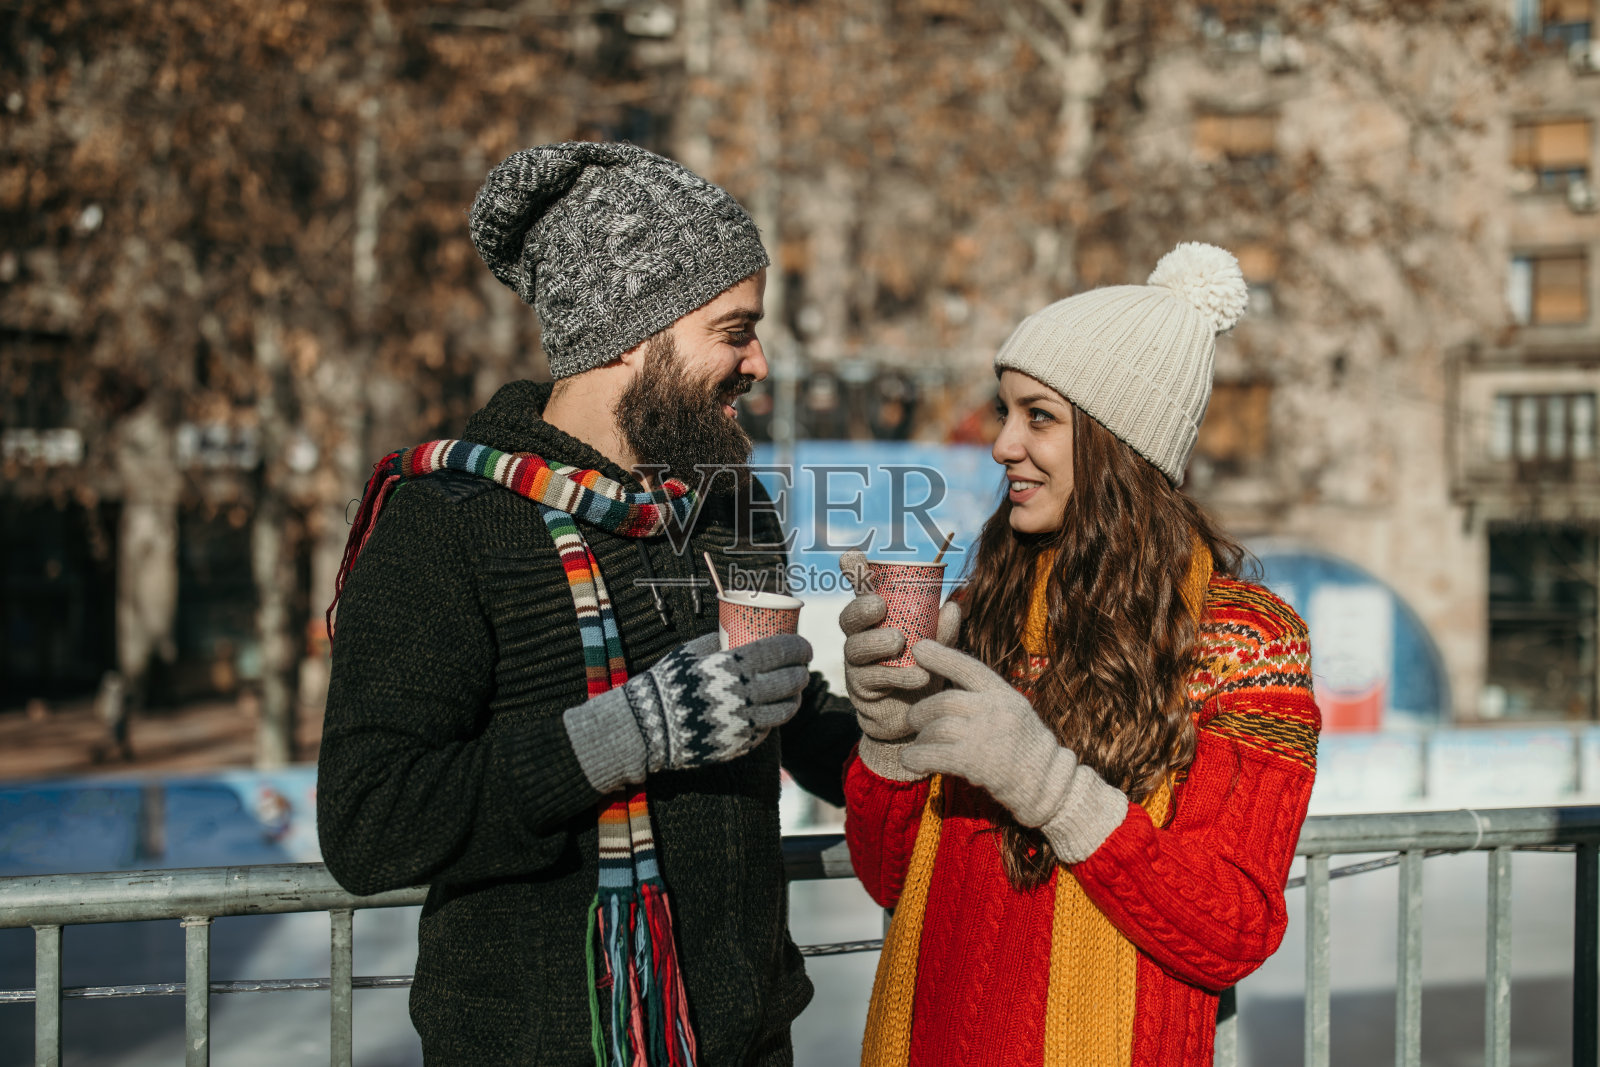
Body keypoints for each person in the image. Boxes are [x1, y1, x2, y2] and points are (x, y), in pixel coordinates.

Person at [316, 142, 859, 1067]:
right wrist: (623, 734)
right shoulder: (450, 521)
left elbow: (776, 716)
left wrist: (899, 729)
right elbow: (372, 821)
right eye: (734, 329)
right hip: (539, 1044)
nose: (760, 361)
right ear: (628, 334)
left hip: (752, 1035)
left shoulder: (728, 501)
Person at [838, 243, 1320, 1067]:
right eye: (1004, 410)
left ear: (1116, 440)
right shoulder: (975, 607)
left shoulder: (1246, 637)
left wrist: (1051, 788)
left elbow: (1235, 925)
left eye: (1038, 417)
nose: (1000, 445)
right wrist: (885, 741)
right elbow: (892, 879)